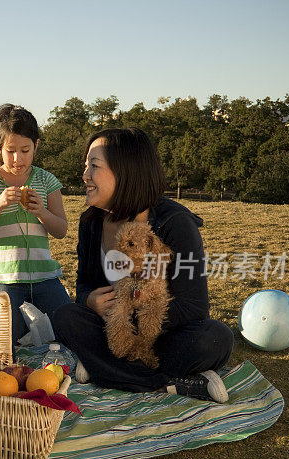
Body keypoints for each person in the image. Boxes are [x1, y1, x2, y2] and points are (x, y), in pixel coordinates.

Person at [52, 128, 233, 402]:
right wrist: (90, 300)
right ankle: (168, 384)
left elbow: (194, 307)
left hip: (162, 336)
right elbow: (84, 283)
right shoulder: (90, 223)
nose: (85, 175)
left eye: (94, 166)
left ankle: (105, 370)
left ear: (125, 172)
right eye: (85, 165)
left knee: (216, 338)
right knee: (66, 317)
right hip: (112, 329)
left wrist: (137, 309)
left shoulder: (175, 224)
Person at [0, 104, 71, 344]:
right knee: (2, 337)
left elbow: (61, 230)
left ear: (36, 146)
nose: (18, 158)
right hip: (4, 280)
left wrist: (42, 213)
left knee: (69, 324)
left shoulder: (46, 180)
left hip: (45, 277)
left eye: (25, 150)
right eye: (11, 150)